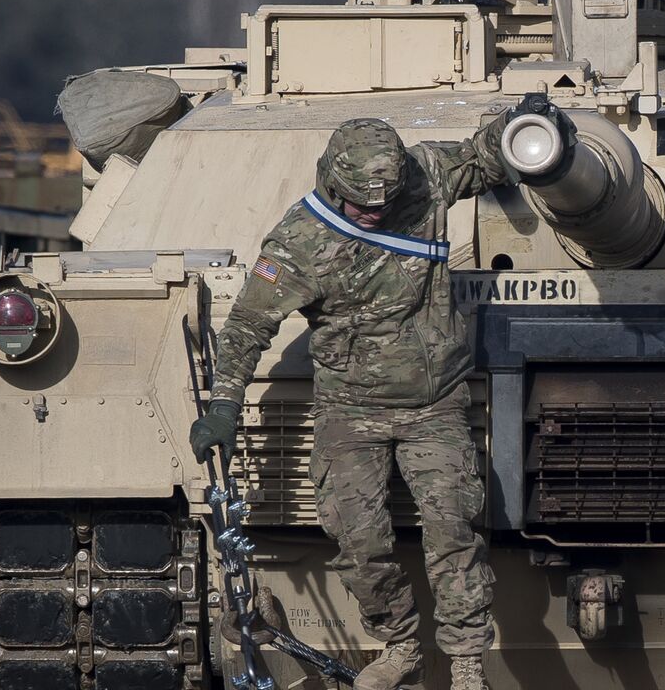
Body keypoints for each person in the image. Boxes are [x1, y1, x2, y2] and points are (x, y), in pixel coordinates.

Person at [190, 106, 571, 690]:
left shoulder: (424, 180)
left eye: (382, 202)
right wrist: (223, 404)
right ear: (330, 181)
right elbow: (245, 327)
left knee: (454, 527)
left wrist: (519, 126)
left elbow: (483, 157)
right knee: (356, 537)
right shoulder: (300, 240)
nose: (371, 211)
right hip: (351, 409)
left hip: (434, 402)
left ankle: (467, 664)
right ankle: (399, 644)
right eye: (359, 202)